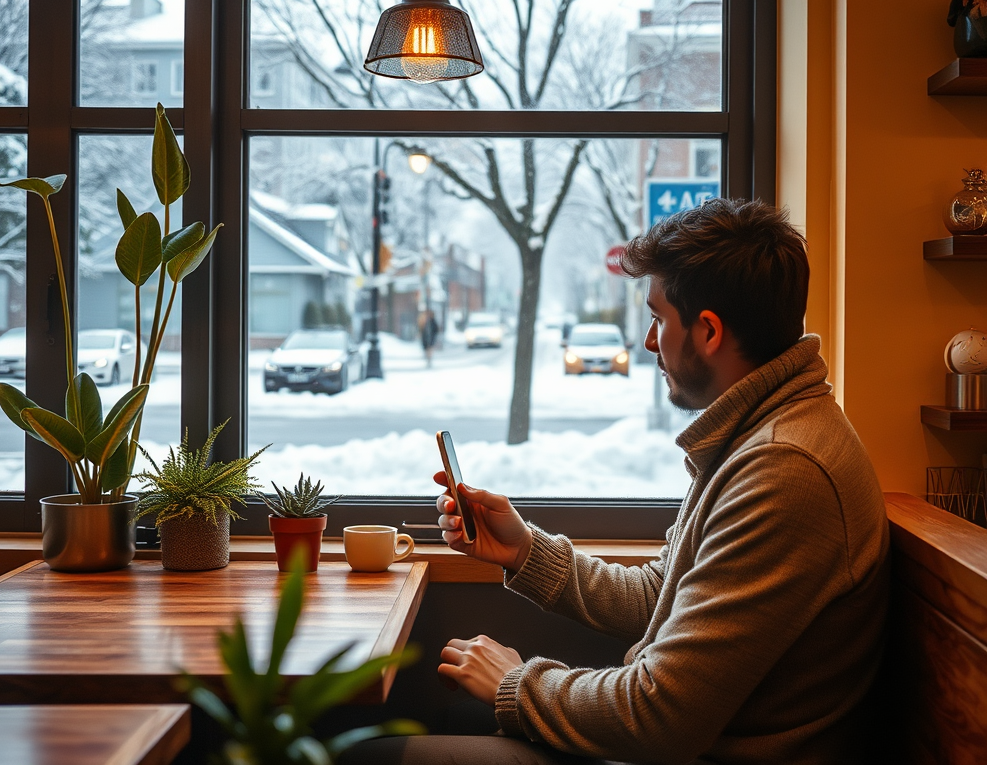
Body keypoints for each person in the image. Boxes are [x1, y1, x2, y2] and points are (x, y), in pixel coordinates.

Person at [342, 199, 890, 765]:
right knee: (451, 711)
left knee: (369, 758)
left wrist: (516, 682)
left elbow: (660, 716)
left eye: (657, 319)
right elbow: (664, 600)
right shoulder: (762, 436)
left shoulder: (785, 471)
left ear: (707, 331)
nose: (649, 342)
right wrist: (526, 552)